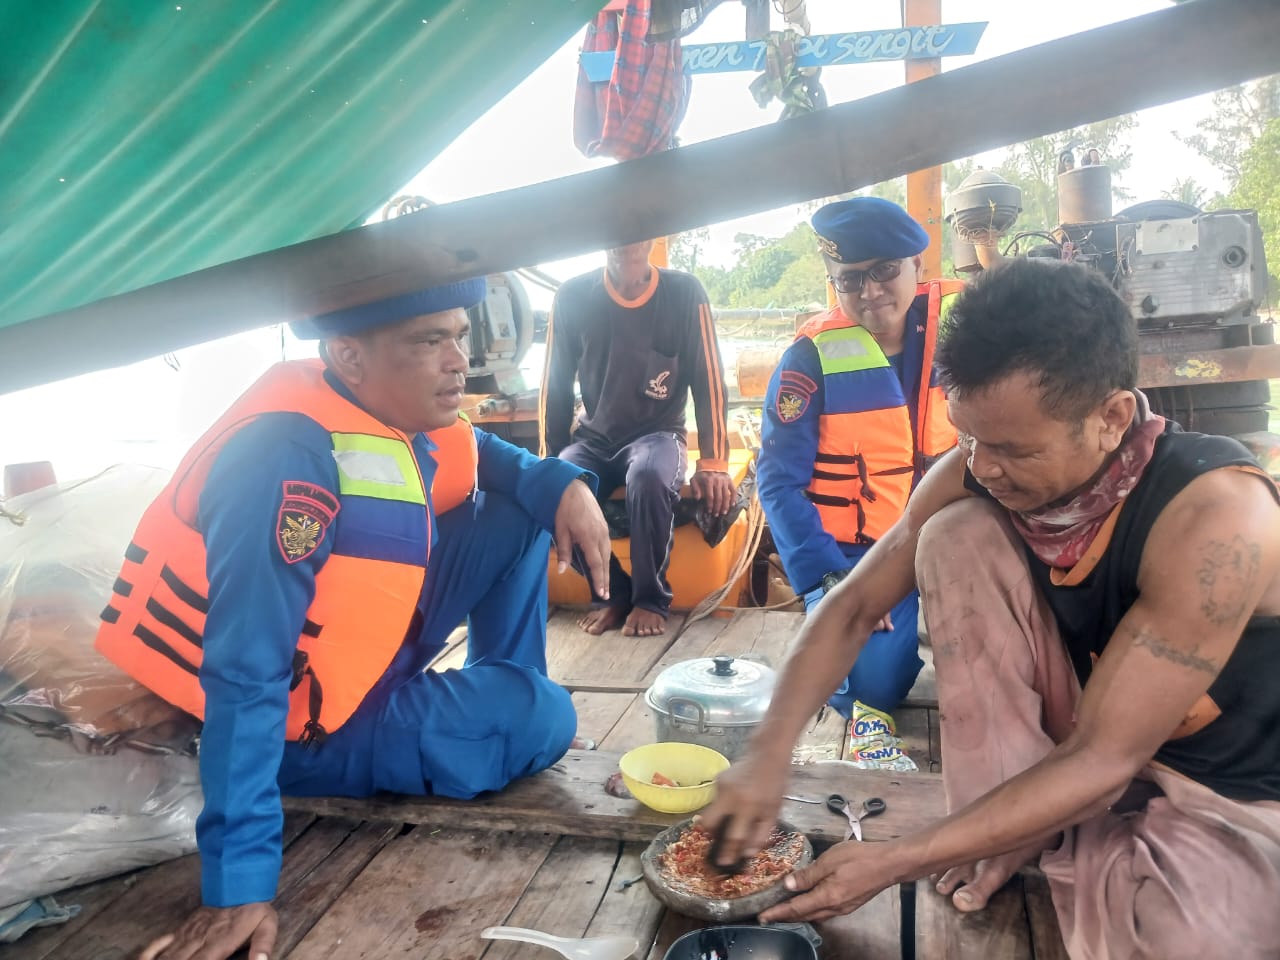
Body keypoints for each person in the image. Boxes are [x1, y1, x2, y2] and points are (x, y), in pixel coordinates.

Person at [704, 258, 1280, 959]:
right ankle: (1008, 823)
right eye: (966, 437)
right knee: (954, 535)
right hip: (1097, 729)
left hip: (1227, 783)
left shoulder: (1219, 516)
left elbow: (1104, 756)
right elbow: (854, 606)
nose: (983, 466)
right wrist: (768, 752)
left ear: (1112, 418)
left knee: (1184, 937)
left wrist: (896, 860)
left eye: (1011, 448)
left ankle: (1009, 830)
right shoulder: (976, 470)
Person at [93, 278, 613, 960]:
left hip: (364, 651)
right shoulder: (282, 459)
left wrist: (562, 483)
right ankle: (510, 714)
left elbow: (485, 456)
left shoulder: (385, 405)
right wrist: (237, 884)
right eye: (429, 341)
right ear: (349, 356)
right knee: (545, 715)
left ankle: (501, 691)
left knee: (522, 511)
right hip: (296, 724)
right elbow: (246, 672)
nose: (459, 359)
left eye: (459, 334)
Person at [756, 196, 962, 768]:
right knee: (876, 689)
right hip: (859, 551)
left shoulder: (972, 331)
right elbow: (776, 483)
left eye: (884, 271)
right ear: (833, 283)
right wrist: (833, 582)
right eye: (851, 279)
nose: (870, 291)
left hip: (956, 534)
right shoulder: (809, 358)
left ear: (917, 267)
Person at [540, 239, 735, 638]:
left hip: (657, 435)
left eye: (640, 229)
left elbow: (709, 378)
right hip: (592, 439)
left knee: (647, 478)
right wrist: (548, 463)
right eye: (615, 230)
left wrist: (714, 462)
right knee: (556, 487)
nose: (628, 240)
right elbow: (554, 385)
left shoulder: (683, 292)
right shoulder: (573, 295)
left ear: (655, 236)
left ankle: (650, 599)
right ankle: (611, 593)